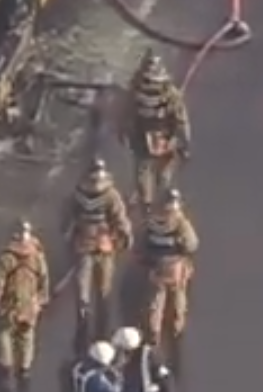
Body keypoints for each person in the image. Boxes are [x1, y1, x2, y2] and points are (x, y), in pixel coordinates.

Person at [69, 159, 133, 342]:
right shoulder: (80, 195)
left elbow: (119, 217)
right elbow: (69, 217)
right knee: (86, 292)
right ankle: (86, 328)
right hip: (88, 247)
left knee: (101, 291)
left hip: (100, 247)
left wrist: (125, 234)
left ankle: (98, 331)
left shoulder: (109, 195)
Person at [121, 51, 191, 212]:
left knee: (143, 171)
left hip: (142, 138)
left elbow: (126, 113)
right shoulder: (171, 94)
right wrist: (185, 144)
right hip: (164, 138)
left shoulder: (134, 90)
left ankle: (146, 205)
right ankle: (160, 201)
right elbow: (181, 120)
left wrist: (124, 132)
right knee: (163, 174)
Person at [138, 189, 199, 348]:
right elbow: (192, 244)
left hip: (157, 267)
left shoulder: (151, 221)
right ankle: (177, 327)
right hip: (175, 267)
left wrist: (146, 258)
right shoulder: (180, 222)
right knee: (178, 296)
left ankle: (154, 331)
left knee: (156, 300)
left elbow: (143, 243)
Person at [0, 221, 51, 379]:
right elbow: (44, 280)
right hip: (30, 305)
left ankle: (6, 366)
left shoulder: (7, 258)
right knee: (27, 336)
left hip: (9, 305)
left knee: (4, 334)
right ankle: (25, 368)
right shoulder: (38, 257)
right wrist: (40, 301)